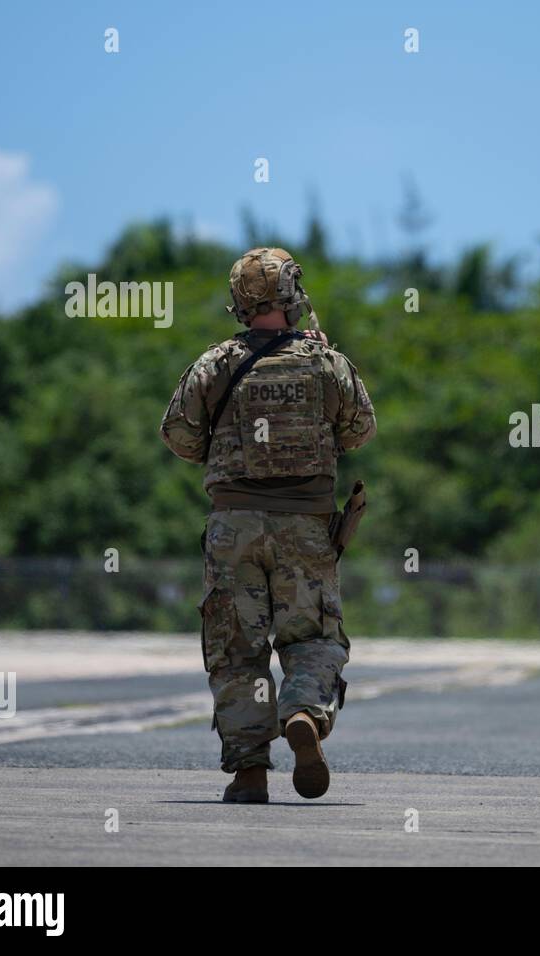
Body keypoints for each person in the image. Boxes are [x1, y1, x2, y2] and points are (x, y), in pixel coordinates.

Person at [160, 247, 376, 803]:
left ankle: (250, 772)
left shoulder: (214, 365)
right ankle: (303, 711)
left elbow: (180, 439)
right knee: (312, 637)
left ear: (239, 301)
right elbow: (359, 431)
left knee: (236, 650)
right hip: (305, 524)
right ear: (293, 295)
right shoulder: (326, 362)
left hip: (233, 526)